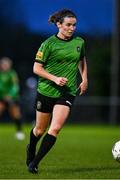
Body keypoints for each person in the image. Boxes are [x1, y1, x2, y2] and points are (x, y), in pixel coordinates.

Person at [26, 9, 88, 173]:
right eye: (68, 25)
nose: (72, 28)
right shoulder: (48, 44)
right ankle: (31, 147)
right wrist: (54, 78)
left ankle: (35, 163)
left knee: (55, 129)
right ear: (59, 24)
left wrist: (84, 78)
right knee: (40, 130)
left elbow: (81, 59)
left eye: (74, 25)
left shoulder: (79, 42)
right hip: (46, 90)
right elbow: (36, 68)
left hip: (67, 92)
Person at [0, 57, 25, 140]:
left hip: (12, 98)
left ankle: (19, 132)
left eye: (6, 64)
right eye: (3, 64)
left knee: (16, 115)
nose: (4, 66)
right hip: (2, 97)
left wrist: (10, 95)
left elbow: (15, 86)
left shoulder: (12, 74)